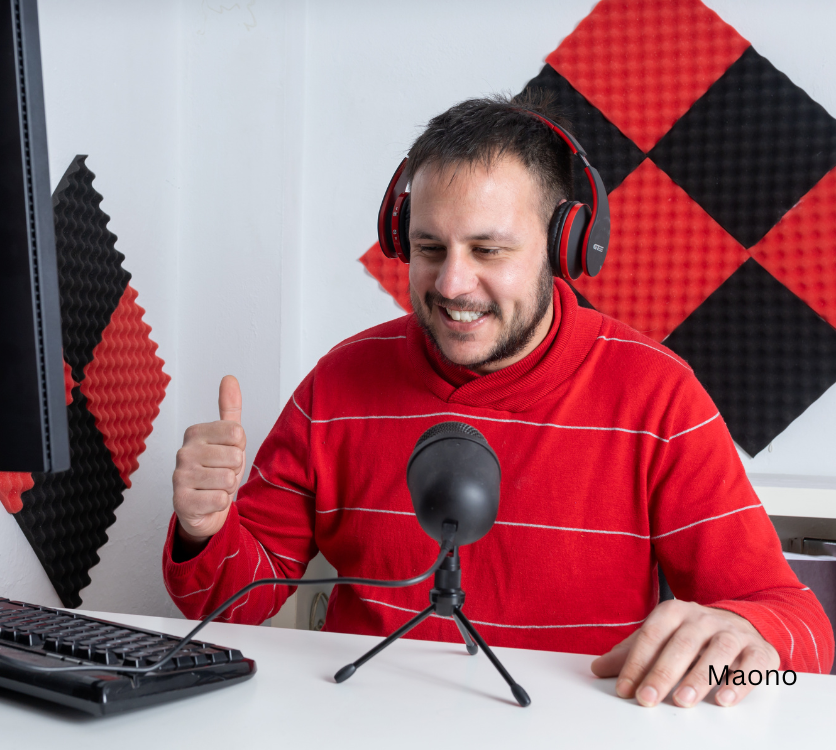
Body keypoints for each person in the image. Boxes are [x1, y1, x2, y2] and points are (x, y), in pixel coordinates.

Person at [164, 93, 834, 708]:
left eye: (489, 249)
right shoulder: (339, 382)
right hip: (364, 722)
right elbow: (232, 605)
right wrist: (204, 528)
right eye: (430, 248)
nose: (453, 283)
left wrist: (747, 640)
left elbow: (802, 632)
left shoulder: (658, 397)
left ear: (565, 246)